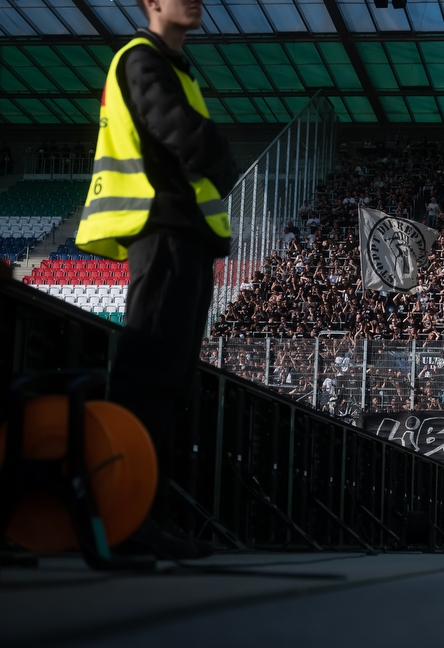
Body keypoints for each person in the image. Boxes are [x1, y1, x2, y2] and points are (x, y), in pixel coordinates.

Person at [75, 0, 237, 559]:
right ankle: (123, 516)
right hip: (162, 228)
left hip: (184, 233)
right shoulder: (142, 59)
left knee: (169, 381)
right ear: (152, 4)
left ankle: (147, 518)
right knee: (147, 376)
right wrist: (219, 150)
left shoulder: (174, 66)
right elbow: (186, 138)